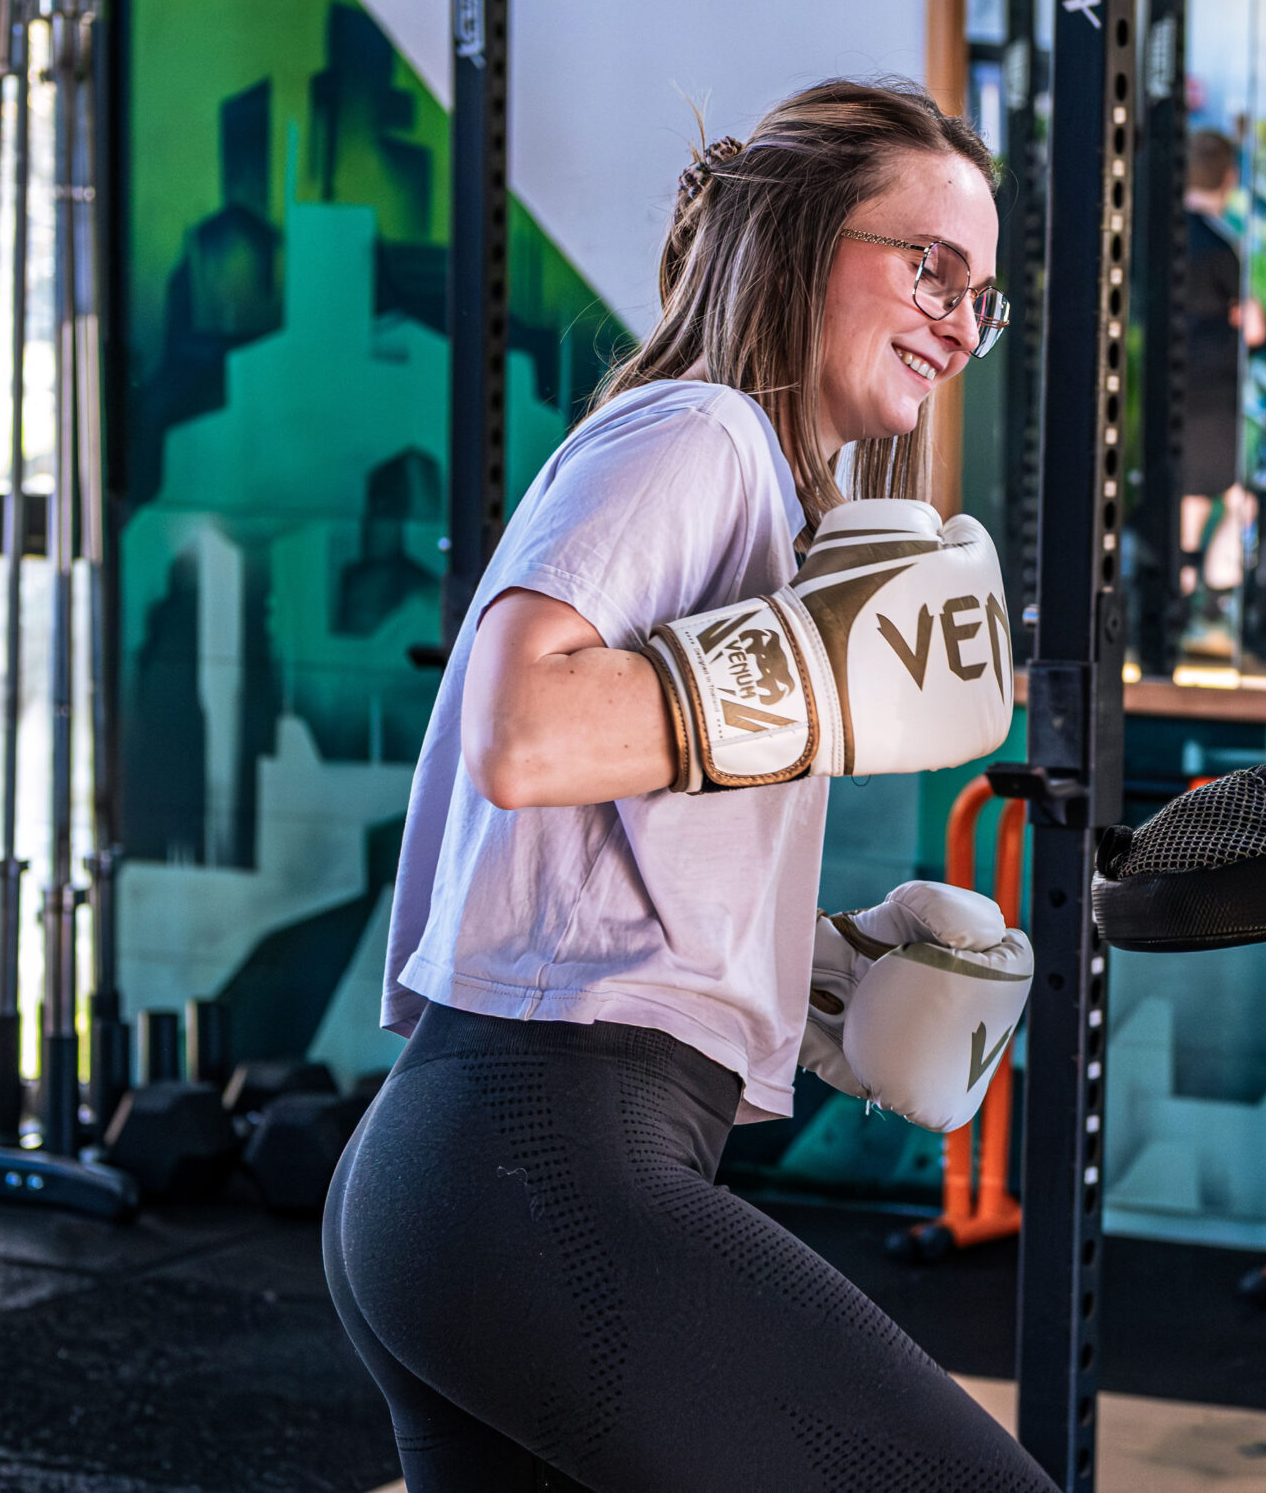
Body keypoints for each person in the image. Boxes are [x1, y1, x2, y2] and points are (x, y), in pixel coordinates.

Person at [322, 79, 1058, 1493]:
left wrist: (805, 966)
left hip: (482, 1165)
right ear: (794, 242)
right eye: (930, 266)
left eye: (983, 294)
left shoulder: (777, 499)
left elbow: (574, 826)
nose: (961, 320)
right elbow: (524, 727)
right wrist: (821, 676)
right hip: (542, 1152)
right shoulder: (701, 432)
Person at [1179, 128, 1258, 649]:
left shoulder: (1162, 239)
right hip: (1214, 392)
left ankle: (1181, 601)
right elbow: (1254, 327)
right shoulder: (1222, 248)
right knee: (1239, 503)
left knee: (1191, 502)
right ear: (1229, 179)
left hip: (1175, 390)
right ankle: (1210, 598)